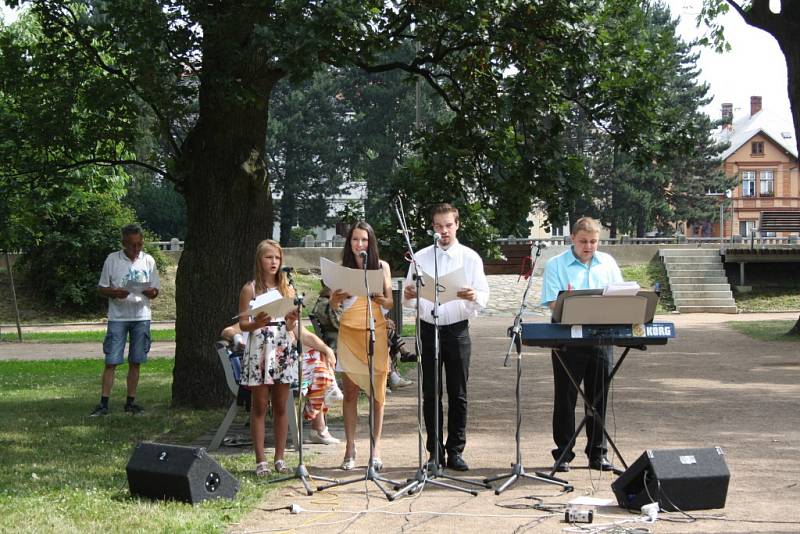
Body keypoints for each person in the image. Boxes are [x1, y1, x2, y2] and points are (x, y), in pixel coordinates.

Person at [238, 239, 339, 476]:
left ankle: (280, 457)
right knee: (260, 405)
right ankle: (260, 459)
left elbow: (294, 324)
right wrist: (256, 324)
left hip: (282, 346)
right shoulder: (250, 289)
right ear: (259, 260)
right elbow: (242, 322)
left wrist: (293, 320)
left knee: (283, 405)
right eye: (268, 257)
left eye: (277, 258)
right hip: (261, 347)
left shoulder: (287, 289)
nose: (273, 262)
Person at [402, 203, 489, 471]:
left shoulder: (470, 257)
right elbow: (409, 296)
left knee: (458, 392)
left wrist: (474, 296)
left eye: (448, 225)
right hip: (428, 328)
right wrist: (410, 296)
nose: (444, 231)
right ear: (433, 228)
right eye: (439, 226)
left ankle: (456, 450)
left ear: (457, 225)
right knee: (431, 392)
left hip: (457, 328)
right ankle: (435, 452)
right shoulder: (421, 257)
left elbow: (483, 295)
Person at [540, 216, 623, 473]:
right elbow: (553, 302)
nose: (589, 246)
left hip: (601, 338)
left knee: (598, 396)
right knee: (565, 397)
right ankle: (563, 452)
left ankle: (598, 453)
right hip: (567, 338)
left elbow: (621, 295)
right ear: (572, 240)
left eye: (594, 241)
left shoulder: (607, 263)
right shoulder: (556, 264)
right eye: (584, 241)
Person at [328, 221, 393, 471]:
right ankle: (350, 447)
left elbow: (389, 303)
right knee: (351, 392)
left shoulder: (381, 267)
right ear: (349, 242)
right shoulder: (342, 269)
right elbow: (333, 306)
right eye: (355, 240)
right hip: (349, 334)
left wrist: (380, 298)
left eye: (364, 240)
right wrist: (335, 299)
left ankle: (376, 448)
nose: (359, 244)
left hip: (375, 331)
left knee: (377, 393)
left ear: (370, 242)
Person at [90, 224, 161, 417]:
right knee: (111, 360)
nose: (135, 249)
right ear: (123, 243)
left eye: (139, 244)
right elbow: (102, 287)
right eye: (131, 245)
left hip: (141, 316)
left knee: (136, 361)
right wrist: (115, 292)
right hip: (118, 317)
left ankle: (131, 401)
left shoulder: (148, 260)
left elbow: (155, 291)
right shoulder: (112, 260)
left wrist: (148, 291)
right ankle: (104, 402)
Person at [312, 285, 414, 390]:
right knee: (383, 335)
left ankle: (393, 373)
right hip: (340, 341)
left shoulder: (327, 303)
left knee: (385, 333)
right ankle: (394, 371)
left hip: (345, 337)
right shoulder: (325, 304)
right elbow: (342, 323)